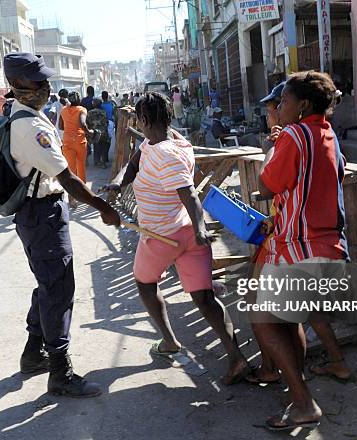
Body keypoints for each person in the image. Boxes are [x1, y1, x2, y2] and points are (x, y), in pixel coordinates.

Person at [101, 92, 250, 385]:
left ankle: (169, 341)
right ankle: (236, 358)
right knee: (204, 298)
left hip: (161, 236)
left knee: (145, 283)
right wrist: (118, 185)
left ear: (143, 120)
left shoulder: (164, 153)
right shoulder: (168, 141)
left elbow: (189, 193)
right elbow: (133, 163)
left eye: (139, 122)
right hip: (187, 235)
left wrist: (200, 225)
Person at [2, 52, 120, 398]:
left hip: (37, 213)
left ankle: (33, 353)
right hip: (42, 215)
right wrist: (103, 207)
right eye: (40, 82)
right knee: (58, 290)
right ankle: (60, 372)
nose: (46, 87)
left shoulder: (21, 116)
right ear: (20, 85)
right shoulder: (29, 126)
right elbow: (67, 179)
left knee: (48, 284)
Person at [254, 71, 349, 431]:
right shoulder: (327, 134)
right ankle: (299, 392)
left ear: (303, 105)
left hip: (298, 249)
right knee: (291, 320)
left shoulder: (293, 134)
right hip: (329, 248)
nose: (280, 108)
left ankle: (303, 401)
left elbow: (266, 185)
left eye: (285, 102)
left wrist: (273, 150)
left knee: (264, 322)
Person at [59, 91, 93, 207]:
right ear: (78, 99)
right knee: (81, 168)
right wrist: (89, 132)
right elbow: (83, 124)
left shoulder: (63, 110)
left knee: (71, 170)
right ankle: (83, 195)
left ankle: (71, 197)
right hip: (79, 142)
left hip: (67, 142)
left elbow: (60, 126)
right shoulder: (81, 109)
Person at [87, 98, 111, 168]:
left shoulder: (89, 112)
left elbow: (88, 123)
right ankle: (103, 161)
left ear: (93, 104)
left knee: (96, 147)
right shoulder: (104, 112)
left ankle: (97, 161)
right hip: (103, 132)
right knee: (103, 147)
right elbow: (106, 122)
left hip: (95, 133)